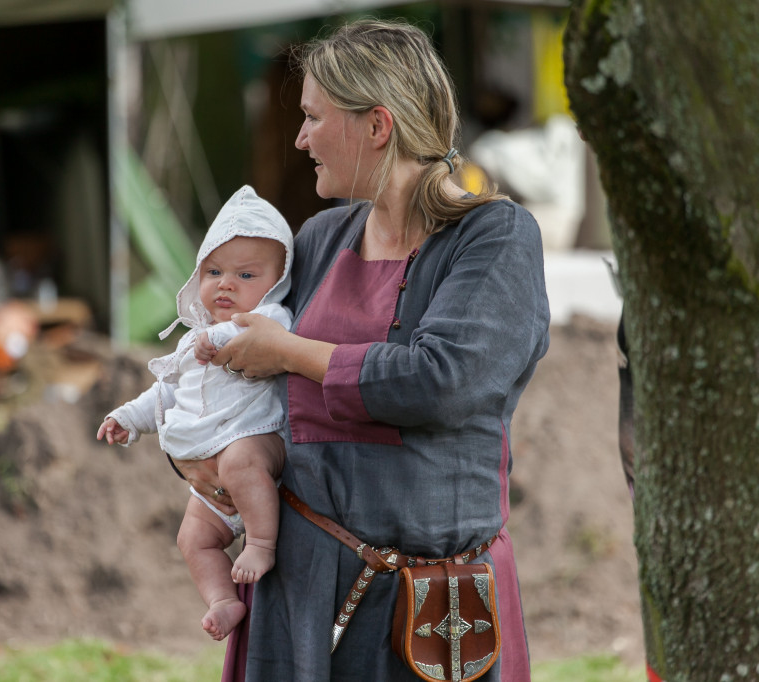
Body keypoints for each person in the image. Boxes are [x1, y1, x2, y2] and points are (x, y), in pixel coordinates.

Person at [175, 21, 550, 681]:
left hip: (434, 606)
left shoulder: (493, 237)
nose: (299, 138)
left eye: (314, 117)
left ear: (378, 126)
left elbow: (440, 381)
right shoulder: (320, 238)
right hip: (299, 587)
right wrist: (205, 458)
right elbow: (254, 373)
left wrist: (293, 352)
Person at [96, 185, 293, 642]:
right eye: (214, 271)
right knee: (192, 538)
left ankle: (261, 543)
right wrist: (128, 417)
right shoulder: (190, 340)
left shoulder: (272, 318)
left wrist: (222, 340)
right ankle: (223, 601)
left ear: (278, 282)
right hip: (209, 473)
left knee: (240, 461)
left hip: (258, 442)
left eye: (246, 274)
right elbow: (166, 392)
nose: (225, 283)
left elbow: (270, 338)